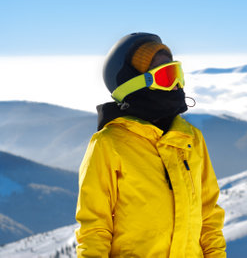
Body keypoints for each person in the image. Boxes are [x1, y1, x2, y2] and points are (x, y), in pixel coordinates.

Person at [75, 32, 226, 257]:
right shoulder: (109, 144)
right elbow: (95, 229)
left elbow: (209, 216)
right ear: (136, 85)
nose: (177, 85)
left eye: (178, 74)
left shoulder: (191, 139)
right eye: (166, 76)